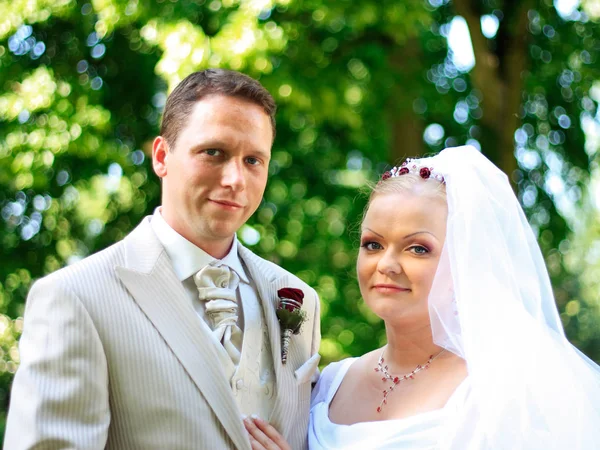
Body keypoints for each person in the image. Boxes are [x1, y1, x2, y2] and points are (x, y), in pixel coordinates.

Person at [5, 69, 321, 450]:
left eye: (253, 160)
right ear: (161, 156)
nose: (236, 179)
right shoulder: (76, 298)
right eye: (214, 152)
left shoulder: (299, 299)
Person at [244, 145, 600, 450]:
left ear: (464, 263)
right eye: (373, 244)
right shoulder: (328, 385)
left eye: (417, 248)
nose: (386, 264)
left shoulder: (502, 391)